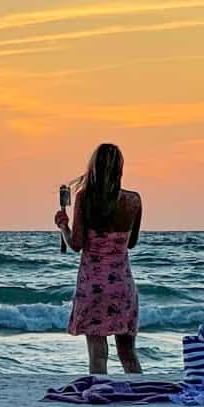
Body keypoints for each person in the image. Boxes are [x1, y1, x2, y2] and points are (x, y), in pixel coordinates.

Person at [55, 143, 142, 375]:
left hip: (93, 286)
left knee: (98, 353)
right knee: (128, 354)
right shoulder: (134, 200)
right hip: (123, 284)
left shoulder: (86, 198)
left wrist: (63, 226)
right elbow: (131, 243)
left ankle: (100, 399)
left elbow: (76, 244)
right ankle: (140, 397)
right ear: (119, 169)